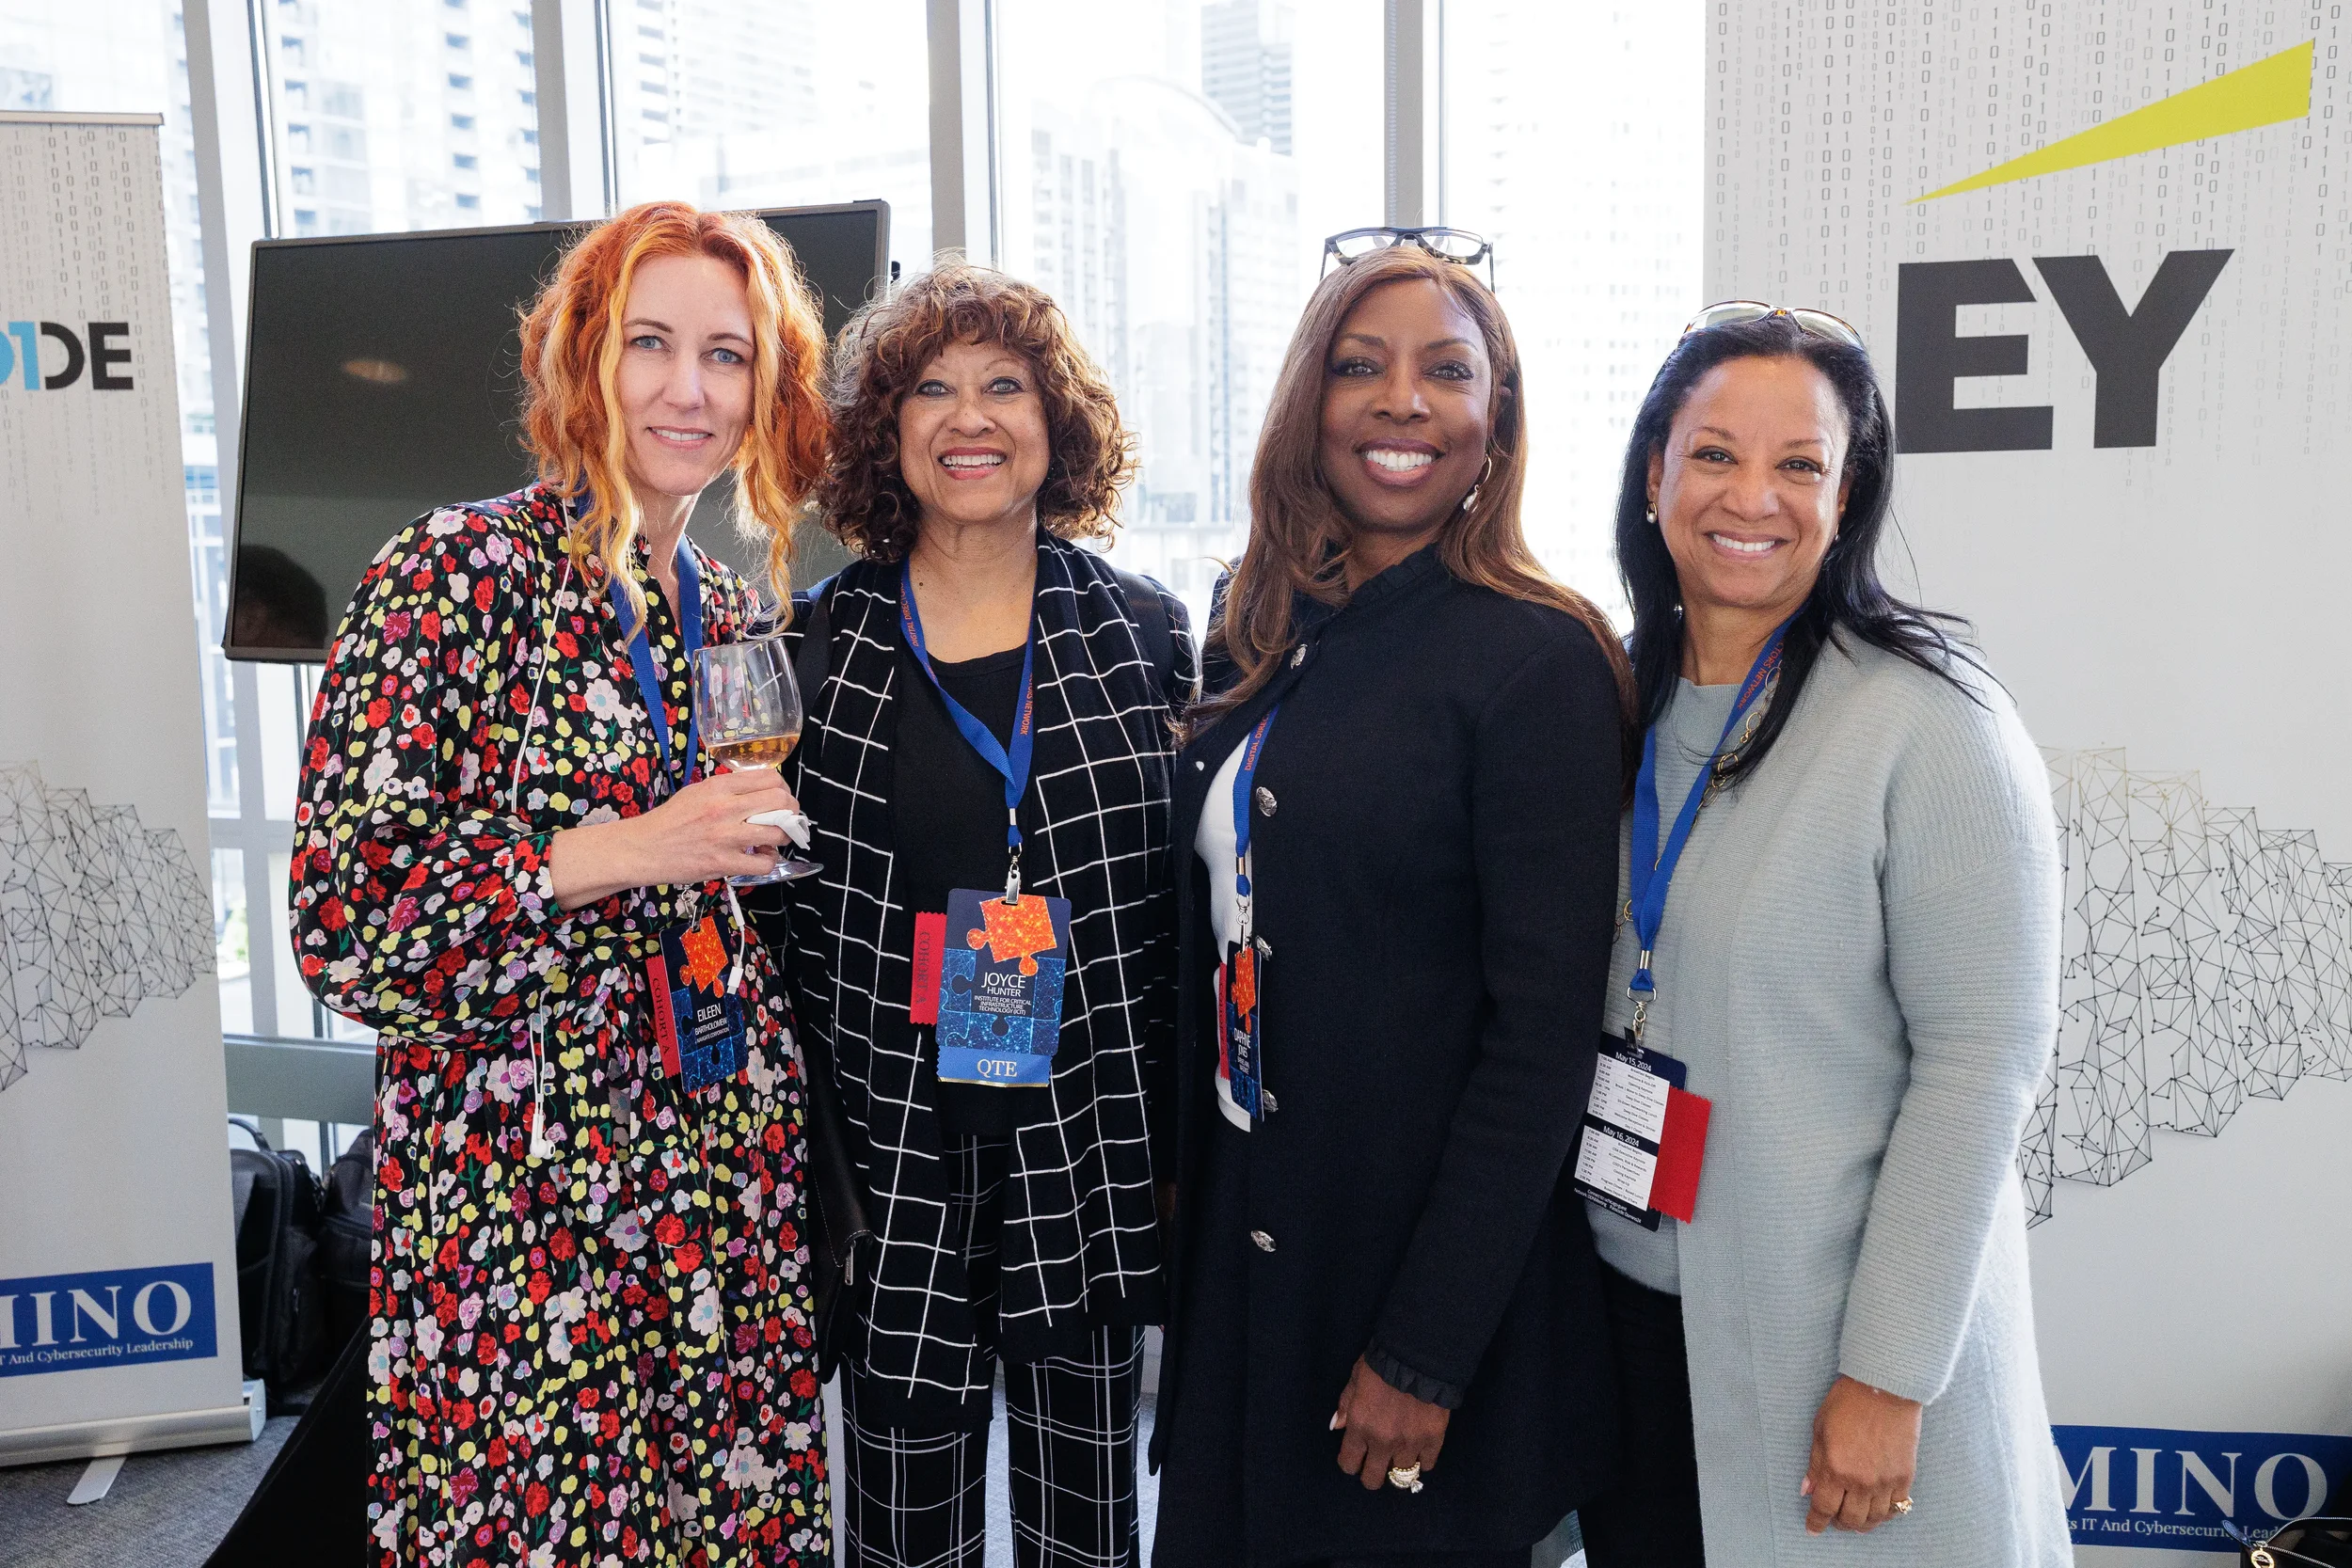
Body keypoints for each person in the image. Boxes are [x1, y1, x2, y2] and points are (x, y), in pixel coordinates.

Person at [289, 200, 836, 1568]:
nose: (688, 388)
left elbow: (718, 869)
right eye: (652, 343)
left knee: (725, 1522)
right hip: (524, 1202)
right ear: (582, 358)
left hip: (714, 1175)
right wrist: (620, 847)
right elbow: (345, 928)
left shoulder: (724, 605)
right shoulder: (451, 574)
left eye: (728, 353)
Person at [1149, 239, 1632, 1567]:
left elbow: (1541, 1045)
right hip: (1254, 1271)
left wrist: (1425, 1347)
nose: (1401, 400)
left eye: (1446, 371)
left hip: (1410, 1292)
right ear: (1311, 404)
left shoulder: (1538, 660)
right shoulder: (1264, 629)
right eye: (1360, 367)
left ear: (1500, 417)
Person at [1570, 305, 2069, 1566]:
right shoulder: (1601, 706)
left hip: (1835, 1350)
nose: (1755, 495)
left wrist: (1889, 1375)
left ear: (1847, 497)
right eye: (1717, 453)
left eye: (1801, 463)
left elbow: (1980, 1068)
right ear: (1655, 474)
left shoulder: (1932, 723)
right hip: (1632, 1339)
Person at [770, 261, 1196, 1568]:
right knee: (902, 1520)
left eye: (1005, 385)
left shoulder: (1143, 634)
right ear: (888, 434)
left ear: (1055, 423)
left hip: (1087, 1135)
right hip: (894, 1139)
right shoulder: (817, 645)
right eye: (933, 390)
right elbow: (782, 912)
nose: (972, 416)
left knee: (1088, 1512)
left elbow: (1177, 910)